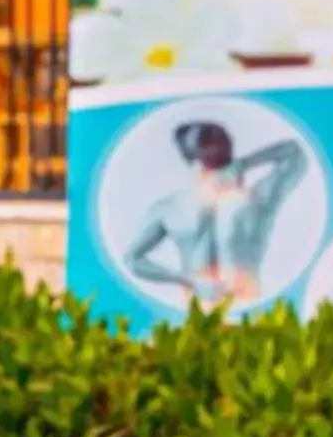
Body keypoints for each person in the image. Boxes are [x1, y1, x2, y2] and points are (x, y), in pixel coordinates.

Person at [122, 119, 307, 309]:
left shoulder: (256, 200)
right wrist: (188, 281)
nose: (215, 145)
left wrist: (244, 163)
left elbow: (295, 152)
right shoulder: (171, 207)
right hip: (199, 312)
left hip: (248, 307)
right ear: (194, 155)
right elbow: (132, 259)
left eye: (219, 139)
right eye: (209, 142)